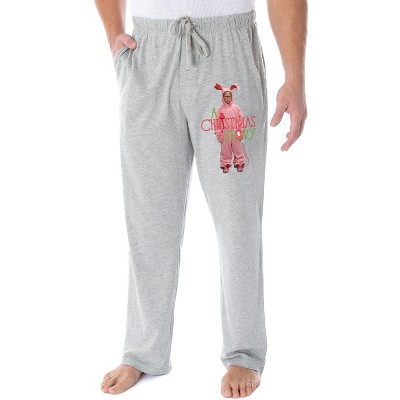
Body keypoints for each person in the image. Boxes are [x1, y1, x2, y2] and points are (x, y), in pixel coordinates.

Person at [94, 0, 307, 397]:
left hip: (228, 52)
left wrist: (294, 76)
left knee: (237, 217)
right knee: (149, 217)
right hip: (147, 54)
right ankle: (143, 350)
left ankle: (244, 351)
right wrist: (113, 34)